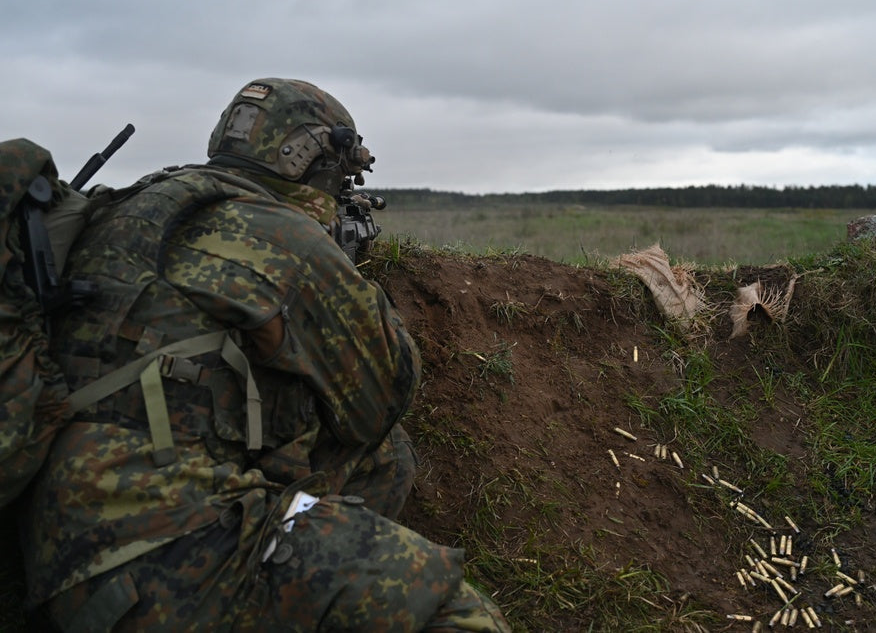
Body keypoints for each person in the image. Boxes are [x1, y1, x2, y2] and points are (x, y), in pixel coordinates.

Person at [20, 78, 510, 632]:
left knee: (383, 460)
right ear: (310, 158)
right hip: (164, 554)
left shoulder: (138, 205)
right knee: (456, 614)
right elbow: (381, 398)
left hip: (54, 538)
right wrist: (343, 278)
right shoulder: (280, 235)